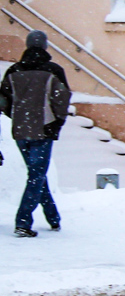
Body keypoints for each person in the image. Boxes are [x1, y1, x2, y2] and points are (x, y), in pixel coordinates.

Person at [0, 31, 71, 238]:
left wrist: (18, 115)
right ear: (45, 46)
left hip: (21, 131)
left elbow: (3, 101)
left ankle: (53, 217)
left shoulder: (13, 70)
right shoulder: (53, 70)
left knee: (36, 175)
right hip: (43, 130)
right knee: (36, 175)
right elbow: (62, 99)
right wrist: (57, 123)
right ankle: (23, 222)